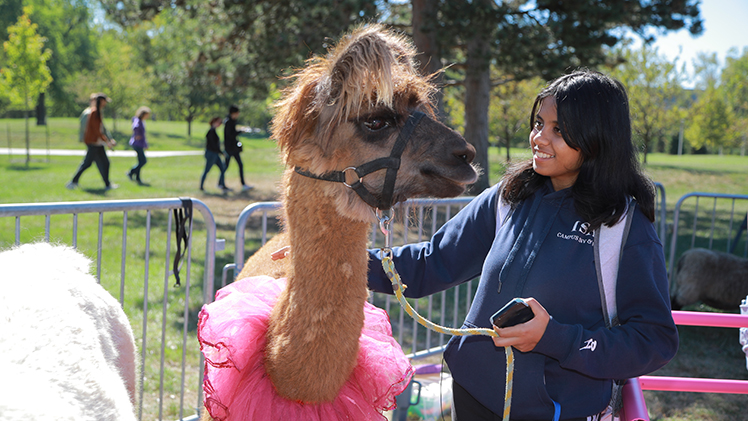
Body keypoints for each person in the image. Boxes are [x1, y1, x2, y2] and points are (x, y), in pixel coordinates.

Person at [366, 69, 678, 421]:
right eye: (538, 123)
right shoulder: (509, 197)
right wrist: (343, 263)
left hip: (556, 411)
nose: (539, 138)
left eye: (558, 130)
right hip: (471, 398)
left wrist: (558, 339)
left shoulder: (623, 226)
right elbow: (431, 262)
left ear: (597, 136)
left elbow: (654, 339)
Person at [67, 93, 118, 190]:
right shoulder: (94, 112)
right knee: (87, 163)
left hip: (98, 143)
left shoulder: (98, 112)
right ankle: (73, 182)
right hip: (94, 142)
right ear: (101, 101)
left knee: (105, 163)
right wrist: (106, 141)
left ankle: (107, 184)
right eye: (105, 101)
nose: (106, 104)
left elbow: (102, 129)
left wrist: (107, 139)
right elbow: (96, 130)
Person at [223, 105, 252, 191]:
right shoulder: (228, 122)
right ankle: (221, 183)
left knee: (239, 165)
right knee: (225, 166)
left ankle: (243, 184)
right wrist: (240, 131)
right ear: (234, 113)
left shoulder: (232, 121)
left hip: (233, 148)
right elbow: (230, 135)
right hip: (229, 148)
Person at [200, 117, 229, 192]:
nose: (219, 124)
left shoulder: (214, 131)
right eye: (218, 122)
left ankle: (222, 185)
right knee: (207, 170)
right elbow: (213, 146)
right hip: (211, 154)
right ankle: (201, 187)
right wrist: (222, 152)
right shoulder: (211, 132)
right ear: (214, 122)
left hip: (215, 154)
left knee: (222, 169)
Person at [127, 106, 151, 184]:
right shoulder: (138, 121)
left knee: (140, 161)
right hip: (137, 144)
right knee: (143, 161)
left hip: (140, 144)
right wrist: (137, 135)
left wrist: (145, 144)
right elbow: (135, 127)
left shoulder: (142, 121)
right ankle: (131, 172)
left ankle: (137, 178)